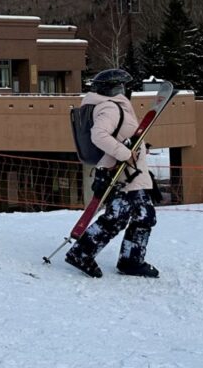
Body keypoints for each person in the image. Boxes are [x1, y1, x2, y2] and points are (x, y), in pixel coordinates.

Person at [65, 68, 159, 279]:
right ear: (113, 89)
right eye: (120, 87)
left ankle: (110, 256)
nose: (123, 90)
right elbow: (99, 136)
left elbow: (120, 136)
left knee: (124, 216)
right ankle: (124, 260)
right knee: (139, 216)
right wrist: (126, 154)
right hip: (126, 174)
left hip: (126, 172)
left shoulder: (109, 106)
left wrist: (139, 148)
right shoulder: (110, 108)